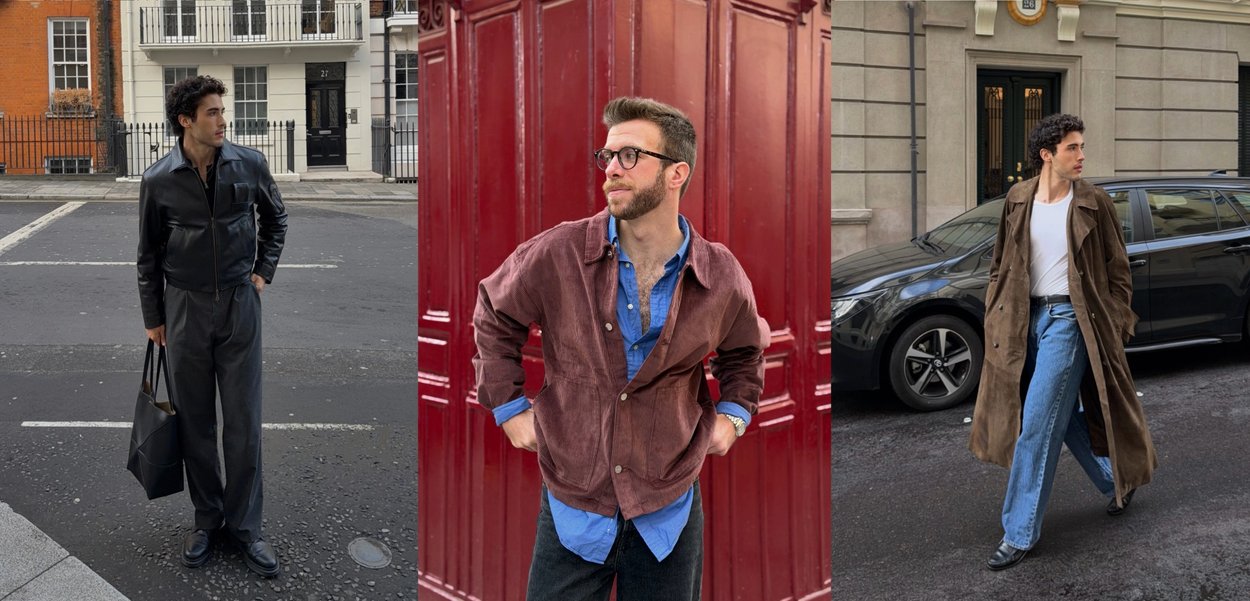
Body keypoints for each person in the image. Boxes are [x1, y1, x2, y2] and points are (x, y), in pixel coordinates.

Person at [472, 97, 767, 599]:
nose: (610, 169)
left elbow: (744, 352)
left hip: (668, 509)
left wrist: (734, 416)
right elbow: (495, 314)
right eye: (606, 156)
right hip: (574, 505)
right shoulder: (559, 252)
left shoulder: (720, 274)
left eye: (629, 156)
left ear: (676, 173)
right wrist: (508, 407)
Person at [969, 113, 1157, 570]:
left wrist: (1113, 321)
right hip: (1021, 320)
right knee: (1061, 414)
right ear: (1046, 154)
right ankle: (1118, 480)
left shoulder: (1094, 202)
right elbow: (1000, 263)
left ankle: (1019, 531)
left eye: (1081, 147)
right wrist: (996, 311)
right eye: (1072, 147)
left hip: (1071, 320)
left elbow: (1118, 270)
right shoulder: (1018, 199)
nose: (1082, 155)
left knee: (1035, 423)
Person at [136, 75, 287, 578]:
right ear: (186, 120)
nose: (224, 120)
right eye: (213, 112)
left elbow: (276, 218)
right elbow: (147, 255)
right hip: (183, 309)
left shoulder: (250, 163)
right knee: (196, 423)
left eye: (223, 110)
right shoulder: (159, 180)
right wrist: (154, 317)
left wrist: (263, 271)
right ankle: (207, 520)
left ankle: (245, 528)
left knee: (243, 422)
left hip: (240, 305)